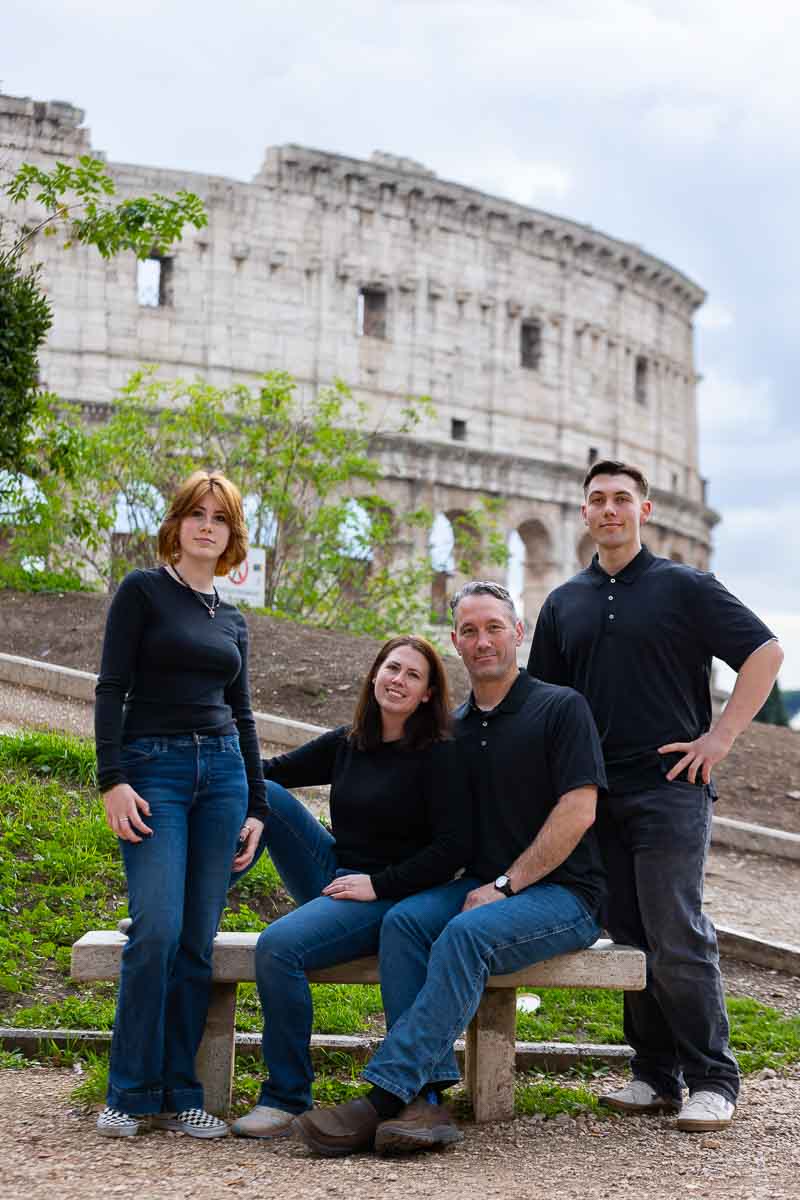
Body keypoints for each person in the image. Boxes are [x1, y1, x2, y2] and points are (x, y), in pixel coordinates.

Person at [291, 581, 608, 1157]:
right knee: (406, 924)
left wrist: (508, 885)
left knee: (464, 934)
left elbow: (579, 810)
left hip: (564, 895)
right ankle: (428, 1102)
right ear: (456, 643)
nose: (482, 640)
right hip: (475, 884)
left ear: (518, 633)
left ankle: (386, 1094)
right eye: (469, 630)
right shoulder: (451, 728)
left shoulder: (560, 707)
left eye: (493, 627)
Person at [527, 459, 783, 1133]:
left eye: (621, 499)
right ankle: (653, 1076)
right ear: (584, 515)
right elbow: (546, 703)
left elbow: (764, 652)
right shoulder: (564, 603)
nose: (609, 509)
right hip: (594, 794)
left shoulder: (685, 588)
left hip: (672, 788)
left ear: (645, 511)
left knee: (676, 932)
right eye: (597, 500)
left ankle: (712, 1079)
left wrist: (720, 739)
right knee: (632, 935)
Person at [230, 635, 472, 1140]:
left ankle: (285, 1096)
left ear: (428, 693)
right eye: (392, 668)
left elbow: (454, 849)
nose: (398, 680)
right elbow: (268, 772)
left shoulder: (440, 754)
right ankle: (201, 905)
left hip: (393, 896)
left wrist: (377, 885)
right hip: (339, 877)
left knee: (277, 947)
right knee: (262, 795)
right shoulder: (350, 741)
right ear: (374, 674)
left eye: (412, 675)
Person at [94, 470, 268, 1139]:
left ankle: (180, 1089)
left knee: (196, 942)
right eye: (197, 513)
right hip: (153, 773)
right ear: (176, 524)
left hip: (222, 777)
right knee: (158, 930)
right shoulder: (142, 591)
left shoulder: (232, 618)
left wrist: (257, 805)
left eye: (219, 518)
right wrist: (112, 779)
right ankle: (129, 1092)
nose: (207, 526)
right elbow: (111, 688)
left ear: (231, 534)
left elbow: (244, 715)